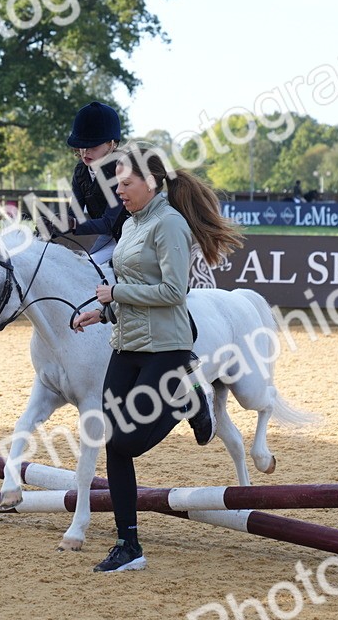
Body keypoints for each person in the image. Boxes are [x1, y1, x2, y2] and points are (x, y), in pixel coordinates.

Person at [71, 146, 244, 573]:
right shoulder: (130, 224)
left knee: (127, 442)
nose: (119, 191)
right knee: (112, 442)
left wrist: (117, 294)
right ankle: (128, 544)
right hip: (125, 344)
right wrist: (103, 312)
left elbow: (172, 293)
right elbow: (132, 285)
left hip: (166, 348)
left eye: (126, 183)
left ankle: (189, 398)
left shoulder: (169, 225)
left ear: (150, 183)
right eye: (116, 184)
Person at [56, 101, 129, 266]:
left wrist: (73, 224)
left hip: (137, 235)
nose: (85, 151)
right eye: (82, 146)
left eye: (92, 146)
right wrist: (54, 226)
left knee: (94, 269)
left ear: (111, 145)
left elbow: (108, 223)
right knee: (84, 265)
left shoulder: (122, 170)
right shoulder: (81, 171)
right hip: (110, 237)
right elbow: (74, 213)